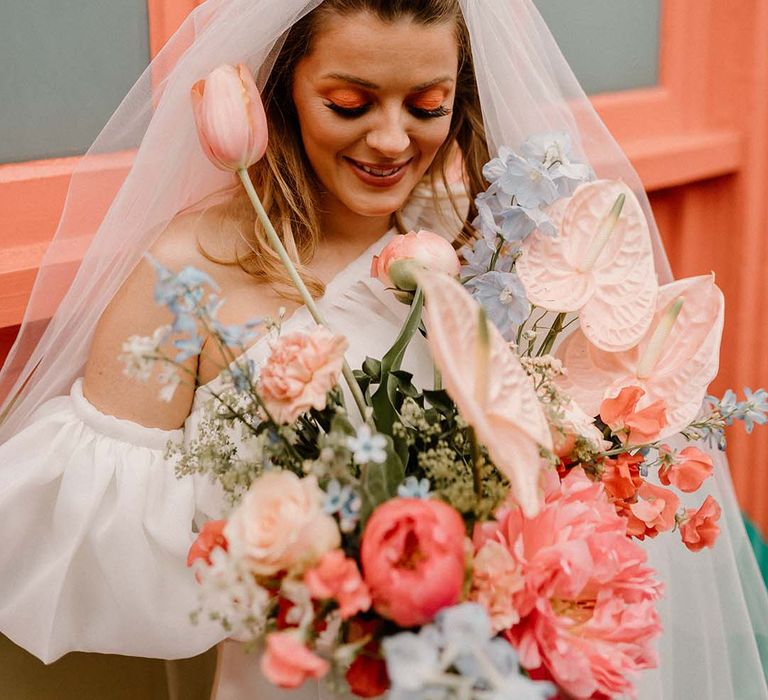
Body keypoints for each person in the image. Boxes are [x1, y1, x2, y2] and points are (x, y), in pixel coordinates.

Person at [0, 1, 766, 699]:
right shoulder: (190, 271)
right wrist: (302, 542)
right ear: (282, 91)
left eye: (427, 105)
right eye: (349, 103)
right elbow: (77, 543)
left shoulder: (498, 251)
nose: (394, 140)